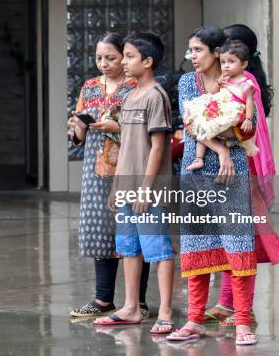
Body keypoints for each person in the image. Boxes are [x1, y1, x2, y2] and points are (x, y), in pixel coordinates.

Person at [167, 26, 257, 346]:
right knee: (196, 244)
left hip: (233, 174)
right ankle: (194, 319)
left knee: (238, 245)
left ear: (217, 52)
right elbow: (191, 124)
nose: (191, 57)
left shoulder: (242, 83)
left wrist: (230, 137)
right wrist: (221, 150)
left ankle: (243, 321)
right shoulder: (187, 82)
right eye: (190, 51)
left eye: (198, 50)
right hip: (198, 168)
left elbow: (249, 128)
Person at [204, 24, 279, 328]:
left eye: (228, 50)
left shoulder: (245, 83)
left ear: (242, 56)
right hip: (233, 168)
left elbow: (239, 127)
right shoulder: (233, 81)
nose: (222, 55)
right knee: (232, 236)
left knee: (242, 238)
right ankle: (227, 303)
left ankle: (242, 308)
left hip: (244, 169)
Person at [94, 31, 175, 335]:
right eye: (124, 56)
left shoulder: (156, 96)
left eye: (130, 57)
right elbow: (127, 144)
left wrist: (144, 188)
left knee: (159, 249)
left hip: (149, 189)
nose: (124, 62)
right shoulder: (129, 97)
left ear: (148, 61)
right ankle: (130, 306)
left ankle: (165, 311)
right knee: (129, 248)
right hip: (127, 185)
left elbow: (157, 147)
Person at [68, 32, 152, 319]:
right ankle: (103, 298)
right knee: (101, 233)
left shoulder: (135, 87)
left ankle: (138, 300)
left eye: (111, 58)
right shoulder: (89, 87)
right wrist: (78, 127)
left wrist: (116, 129)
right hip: (96, 171)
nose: (103, 64)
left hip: (130, 167)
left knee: (135, 232)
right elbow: (77, 134)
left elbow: (146, 129)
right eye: (98, 58)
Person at [184, 40, 258, 172]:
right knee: (202, 124)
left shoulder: (247, 84)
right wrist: (218, 83)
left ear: (244, 64)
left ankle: (221, 149)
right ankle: (199, 158)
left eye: (231, 62)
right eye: (223, 62)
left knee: (207, 128)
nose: (226, 66)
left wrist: (248, 119)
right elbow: (211, 94)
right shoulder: (225, 79)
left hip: (233, 114)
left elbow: (249, 102)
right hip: (219, 110)